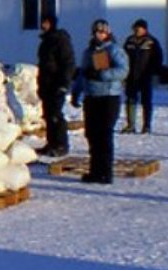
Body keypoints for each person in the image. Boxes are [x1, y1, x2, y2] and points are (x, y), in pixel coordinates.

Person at [71, 19, 128, 184]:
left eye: (102, 32)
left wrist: (103, 75)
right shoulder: (89, 51)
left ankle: (106, 172)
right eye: (97, 31)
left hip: (108, 97)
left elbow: (123, 70)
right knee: (92, 135)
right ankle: (95, 171)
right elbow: (82, 73)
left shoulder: (114, 50)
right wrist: (76, 92)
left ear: (108, 33)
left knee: (104, 135)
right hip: (91, 97)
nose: (99, 34)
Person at [35, 13, 76, 157]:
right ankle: (51, 143)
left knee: (56, 115)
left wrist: (64, 83)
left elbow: (68, 63)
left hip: (56, 83)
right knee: (48, 115)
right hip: (46, 83)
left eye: (45, 22)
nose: (42, 25)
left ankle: (61, 144)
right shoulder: (46, 41)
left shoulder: (60, 40)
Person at [121, 19, 163, 134]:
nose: (136, 30)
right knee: (130, 100)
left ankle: (147, 126)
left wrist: (153, 72)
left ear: (144, 29)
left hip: (145, 76)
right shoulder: (129, 41)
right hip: (131, 76)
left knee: (146, 102)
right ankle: (131, 125)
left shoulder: (151, 42)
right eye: (135, 28)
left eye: (138, 28)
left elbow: (158, 58)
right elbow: (123, 57)